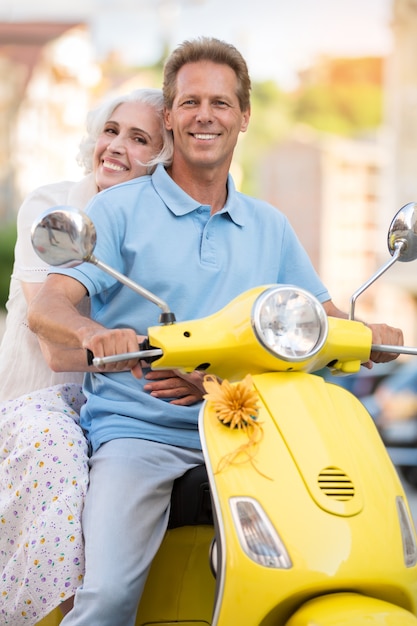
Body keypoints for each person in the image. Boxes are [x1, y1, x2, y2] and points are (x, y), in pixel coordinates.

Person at [27, 37, 403, 626]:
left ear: (244, 116)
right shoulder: (120, 210)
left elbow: (318, 316)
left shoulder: (268, 225)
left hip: (253, 431)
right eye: (191, 102)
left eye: (222, 103)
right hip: (142, 434)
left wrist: (367, 332)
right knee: (107, 599)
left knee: (325, 561)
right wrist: (95, 332)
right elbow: (49, 305)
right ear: (172, 117)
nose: (206, 115)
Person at [0, 87, 201, 626]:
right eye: (111, 130)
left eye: (139, 140)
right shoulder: (55, 206)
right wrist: (152, 354)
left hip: (122, 403)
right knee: (58, 464)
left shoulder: (167, 227)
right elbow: (57, 348)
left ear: (163, 160)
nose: (114, 147)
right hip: (43, 398)